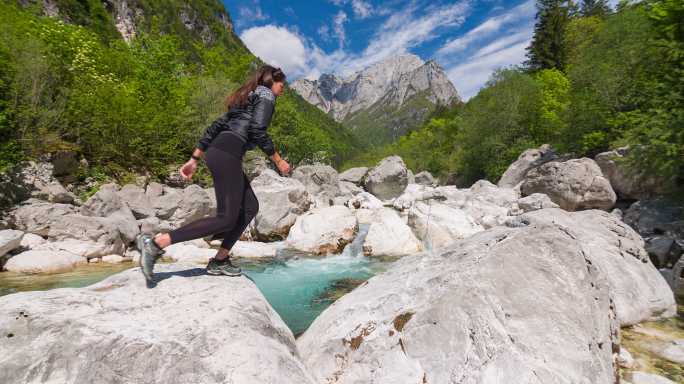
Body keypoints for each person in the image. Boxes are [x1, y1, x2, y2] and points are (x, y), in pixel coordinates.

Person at [136, 65, 291, 282]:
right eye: (282, 85)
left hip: (219, 151)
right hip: (228, 152)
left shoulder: (247, 98)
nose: (282, 90)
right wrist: (278, 160)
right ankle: (155, 244)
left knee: (250, 207)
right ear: (272, 82)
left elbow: (215, 126)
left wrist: (195, 158)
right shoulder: (266, 96)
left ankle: (220, 260)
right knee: (226, 219)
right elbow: (257, 130)